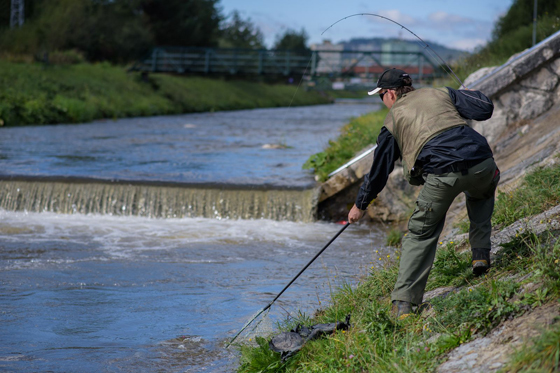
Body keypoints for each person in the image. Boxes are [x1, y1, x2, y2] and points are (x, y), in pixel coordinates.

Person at [347, 68, 500, 318]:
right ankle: (480, 256)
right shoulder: (441, 93)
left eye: (381, 96)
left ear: (391, 94)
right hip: (483, 163)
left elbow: (379, 171)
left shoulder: (392, 121)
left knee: (420, 234)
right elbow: (484, 109)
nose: (382, 102)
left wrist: (360, 205)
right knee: (481, 195)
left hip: (442, 175)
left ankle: (403, 305)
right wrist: (470, 95)